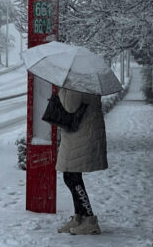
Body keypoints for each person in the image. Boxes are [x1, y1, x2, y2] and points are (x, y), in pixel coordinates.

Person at [56, 87, 107, 235]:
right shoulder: (84, 80)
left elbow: (70, 106)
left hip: (81, 135)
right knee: (71, 176)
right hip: (80, 133)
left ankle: (89, 219)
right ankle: (79, 217)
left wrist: (63, 88)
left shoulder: (77, 81)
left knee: (72, 177)